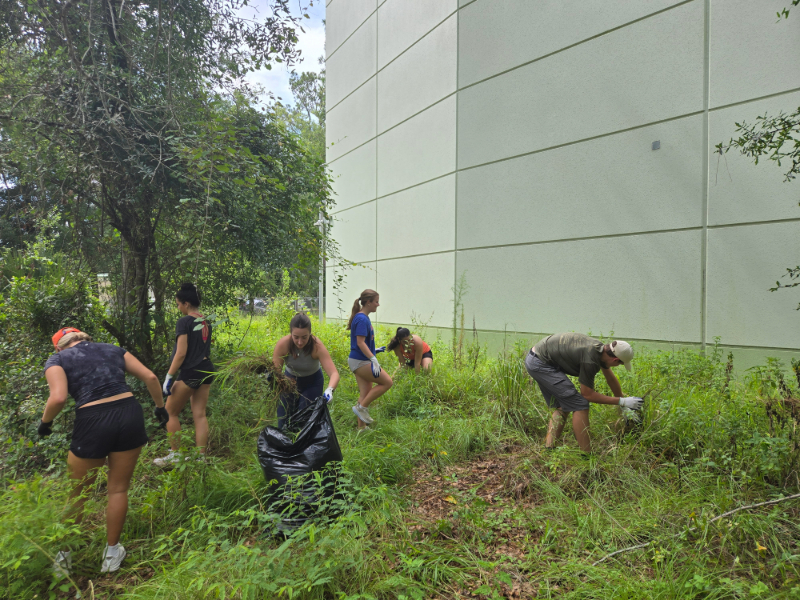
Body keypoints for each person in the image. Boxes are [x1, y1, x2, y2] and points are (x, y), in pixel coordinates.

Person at [39, 327, 168, 575]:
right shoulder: (112, 349)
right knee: (118, 488)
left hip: (92, 419)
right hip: (129, 413)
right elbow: (151, 378)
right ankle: (111, 555)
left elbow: (57, 398)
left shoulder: (58, 359)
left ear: (59, 346)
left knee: (78, 493)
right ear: (85, 338)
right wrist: (160, 408)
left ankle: (63, 558)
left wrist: (45, 424)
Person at [524, 333, 643, 452]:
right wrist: (622, 401)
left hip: (537, 357)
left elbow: (610, 379)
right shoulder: (590, 359)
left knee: (562, 405)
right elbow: (587, 394)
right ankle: (586, 455)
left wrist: (623, 406)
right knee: (580, 405)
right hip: (541, 363)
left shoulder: (601, 350)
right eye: (620, 364)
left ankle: (549, 448)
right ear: (615, 359)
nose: (618, 366)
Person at [154, 283, 216, 466]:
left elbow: (181, 353)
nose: (178, 307)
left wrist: (169, 377)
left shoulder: (184, 322)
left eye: (179, 304)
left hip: (191, 371)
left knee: (169, 411)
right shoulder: (206, 321)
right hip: (207, 368)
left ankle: (175, 454)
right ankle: (200, 456)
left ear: (187, 304)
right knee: (199, 413)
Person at [272, 312, 340, 428]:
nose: (300, 342)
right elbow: (275, 372)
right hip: (289, 381)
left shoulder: (316, 346)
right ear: (291, 333)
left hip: (312, 383)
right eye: (296, 337)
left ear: (310, 333)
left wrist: (330, 389)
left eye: (304, 337)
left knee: (304, 421)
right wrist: (272, 379)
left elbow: (334, 373)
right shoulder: (283, 344)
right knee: (283, 420)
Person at [348, 289, 392, 430]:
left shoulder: (363, 317)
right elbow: (360, 342)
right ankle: (362, 408)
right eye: (376, 301)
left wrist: (374, 350)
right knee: (387, 382)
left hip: (359, 359)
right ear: (368, 303)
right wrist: (373, 358)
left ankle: (361, 428)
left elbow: (363, 343)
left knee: (365, 393)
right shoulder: (361, 319)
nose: (378, 305)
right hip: (360, 361)